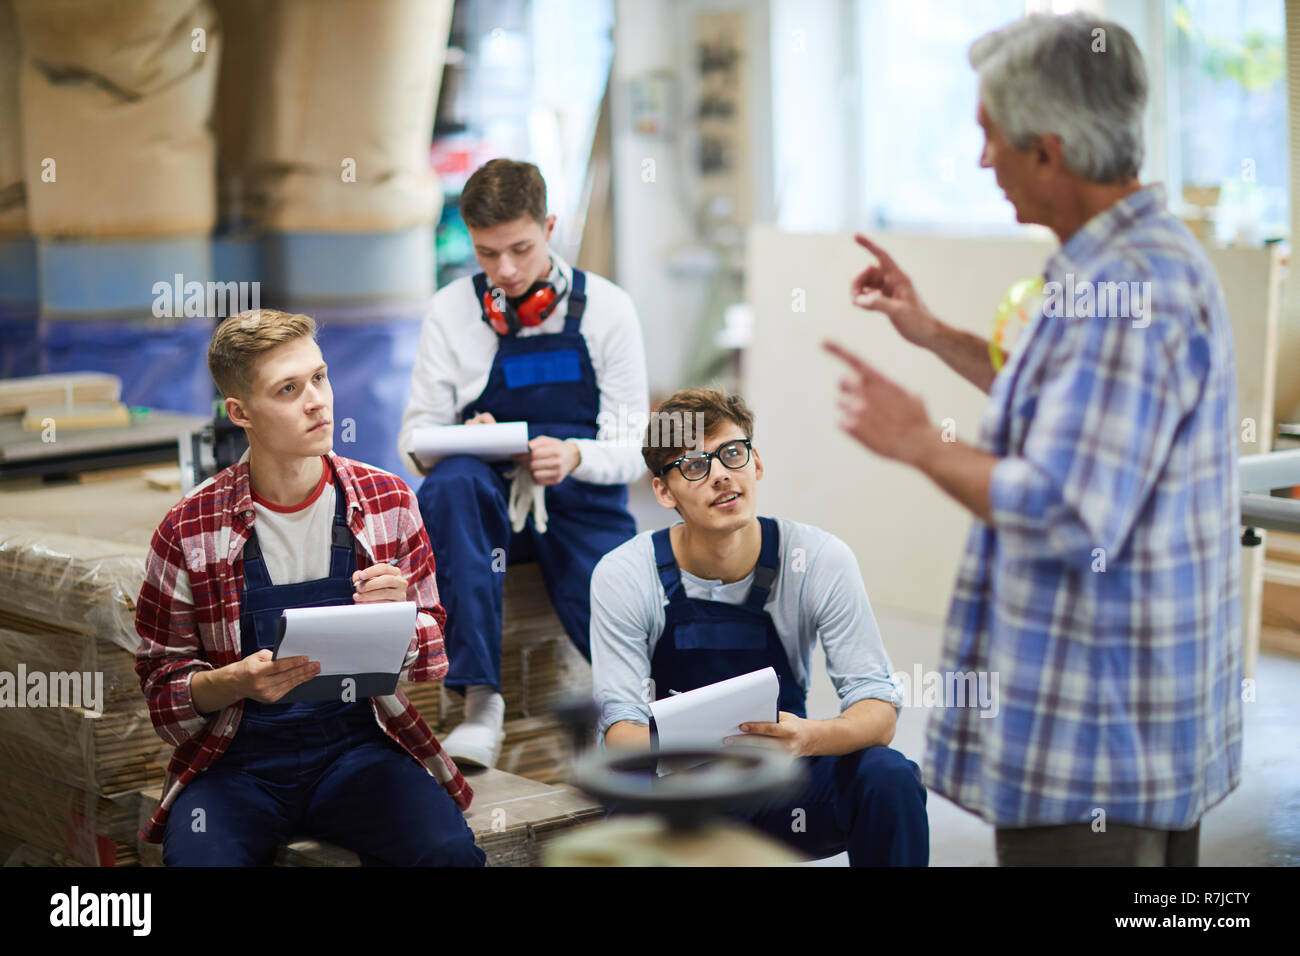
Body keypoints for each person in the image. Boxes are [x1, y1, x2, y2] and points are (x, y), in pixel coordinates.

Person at [825, 12, 1240, 866]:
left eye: (991, 136)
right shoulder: (1126, 261)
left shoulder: (1130, 288)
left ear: (1048, 152)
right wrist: (932, 332)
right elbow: (1065, 405)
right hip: (1132, 729)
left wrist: (919, 442)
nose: (984, 161)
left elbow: (1066, 510)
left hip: (1098, 749)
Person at [135, 308, 483, 866]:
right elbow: (162, 691)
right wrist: (231, 682)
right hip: (236, 765)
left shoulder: (388, 500)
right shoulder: (189, 529)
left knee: (447, 853)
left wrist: (400, 619)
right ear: (239, 412)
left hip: (357, 751)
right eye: (288, 389)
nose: (317, 401)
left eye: (319, 377)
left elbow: (433, 655)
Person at [589, 388, 929, 866]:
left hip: (782, 784)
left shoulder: (818, 559)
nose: (721, 474)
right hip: (677, 792)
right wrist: (715, 746)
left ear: (757, 463)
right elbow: (621, 734)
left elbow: (878, 709)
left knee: (888, 778)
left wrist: (808, 737)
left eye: (732, 453)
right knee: (626, 806)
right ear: (663, 491)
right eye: (694, 465)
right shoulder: (625, 574)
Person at [398, 158, 649, 769]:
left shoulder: (608, 309)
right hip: (483, 512)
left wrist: (576, 454)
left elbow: (632, 450)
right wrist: (461, 439)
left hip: (579, 503)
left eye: (520, 249)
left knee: (626, 623)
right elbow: (413, 440)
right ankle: (480, 704)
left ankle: (639, 719)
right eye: (487, 254)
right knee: (453, 483)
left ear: (550, 227)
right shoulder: (451, 311)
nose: (505, 271)